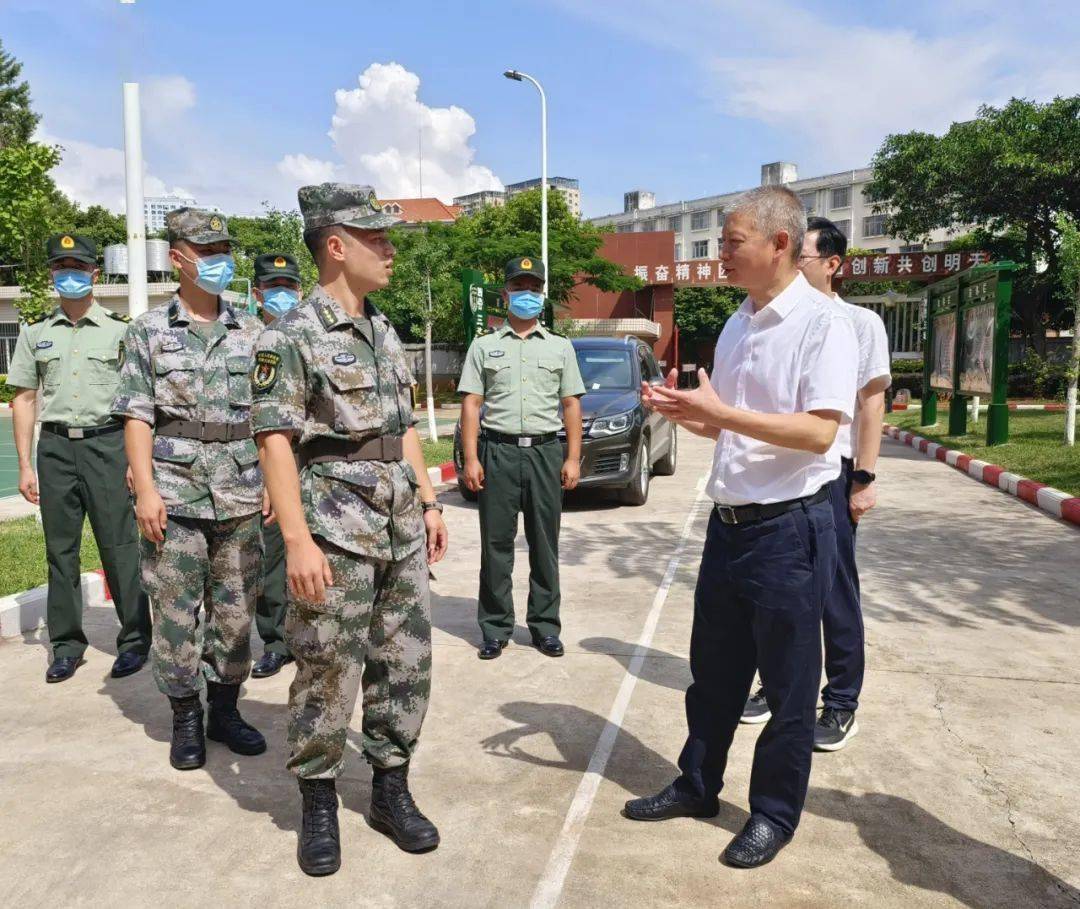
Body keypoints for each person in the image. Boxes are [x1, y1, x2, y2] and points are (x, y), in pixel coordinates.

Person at [623, 186, 858, 869]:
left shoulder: (822, 325)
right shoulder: (737, 323)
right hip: (728, 525)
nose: (720, 253)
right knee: (714, 675)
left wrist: (720, 415)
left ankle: (774, 813)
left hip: (790, 529)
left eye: (730, 241)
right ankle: (698, 783)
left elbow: (819, 432)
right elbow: (722, 421)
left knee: (787, 688)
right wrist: (682, 409)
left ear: (779, 244)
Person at [253, 183, 449, 876]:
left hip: (397, 522)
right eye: (377, 239)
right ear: (336, 246)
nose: (390, 249)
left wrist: (428, 501)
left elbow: (402, 431)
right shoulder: (291, 335)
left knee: (405, 665)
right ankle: (318, 800)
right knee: (326, 668)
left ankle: (391, 789)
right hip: (334, 529)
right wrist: (299, 540)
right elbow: (275, 440)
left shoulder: (383, 327)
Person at [112, 208, 267, 771]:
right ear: (178, 258)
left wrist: (273, 481)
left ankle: (224, 710)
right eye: (207, 251)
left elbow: (269, 418)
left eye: (224, 249)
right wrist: (146, 490)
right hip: (174, 493)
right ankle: (184, 716)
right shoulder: (148, 331)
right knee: (176, 612)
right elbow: (136, 416)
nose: (219, 260)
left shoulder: (254, 332)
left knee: (235, 612)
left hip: (243, 488)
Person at [8, 233, 151, 683]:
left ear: (94, 273)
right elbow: (26, 398)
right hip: (55, 450)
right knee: (60, 551)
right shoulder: (34, 334)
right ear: (52, 274)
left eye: (77, 267)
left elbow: (136, 401)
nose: (68, 275)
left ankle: (134, 640)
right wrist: (26, 465)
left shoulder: (122, 330)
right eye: (60, 267)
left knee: (120, 545)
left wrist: (135, 462)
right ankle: (67, 645)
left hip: (107, 446)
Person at [457, 256, 585, 660]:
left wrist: (573, 459)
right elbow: (472, 405)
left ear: (542, 295)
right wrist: (471, 458)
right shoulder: (484, 346)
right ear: (506, 293)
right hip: (498, 453)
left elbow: (571, 406)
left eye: (534, 288)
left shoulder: (561, 347)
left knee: (545, 543)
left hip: (546, 453)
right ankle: (495, 627)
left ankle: (545, 626)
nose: (527, 295)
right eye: (519, 287)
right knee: (495, 544)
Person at [249, 253, 303, 680]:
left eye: (289, 286)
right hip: (263, 463)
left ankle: (311, 637)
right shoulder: (244, 340)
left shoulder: (314, 336)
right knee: (271, 558)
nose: (282, 294)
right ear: (257, 293)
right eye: (273, 287)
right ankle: (275, 640)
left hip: (313, 460)